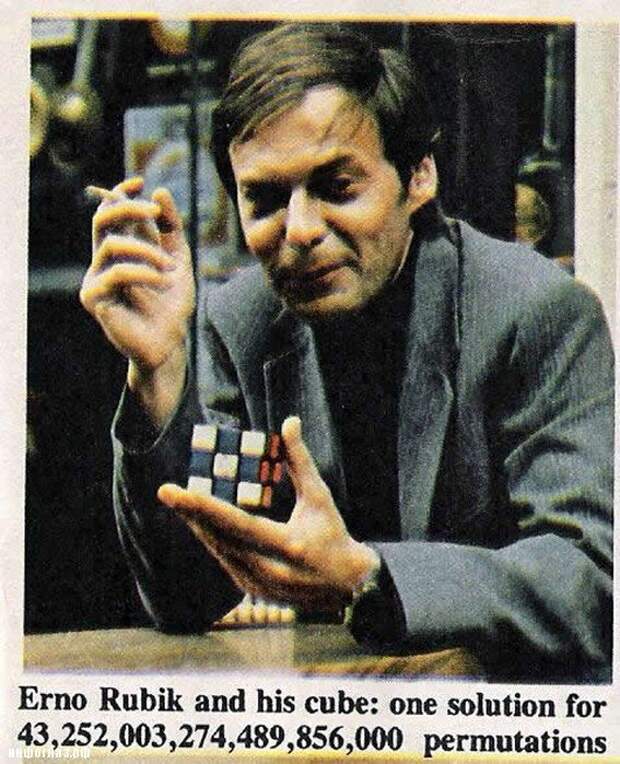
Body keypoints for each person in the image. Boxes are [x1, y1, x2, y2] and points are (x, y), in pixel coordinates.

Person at [80, 23, 613, 682]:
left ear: (418, 177)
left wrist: (370, 576)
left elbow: (590, 579)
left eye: (337, 187)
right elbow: (189, 596)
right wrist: (157, 371)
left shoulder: (537, 310)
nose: (300, 231)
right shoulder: (240, 321)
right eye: (266, 199)